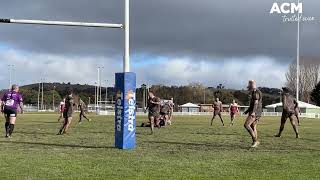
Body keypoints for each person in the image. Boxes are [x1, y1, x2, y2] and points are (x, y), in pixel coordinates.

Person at [243, 80, 262, 148]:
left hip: (255, 112)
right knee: (253, 126)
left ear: (251, 85)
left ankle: (255, 141)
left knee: (246, 125)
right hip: (258, 112)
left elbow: (256, 103)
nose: (248, 87)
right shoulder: (255, 92)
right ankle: (256, 141)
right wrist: (247, 111)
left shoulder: (255, 92)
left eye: (249, 85)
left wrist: (253, 112)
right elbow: (252, 104)